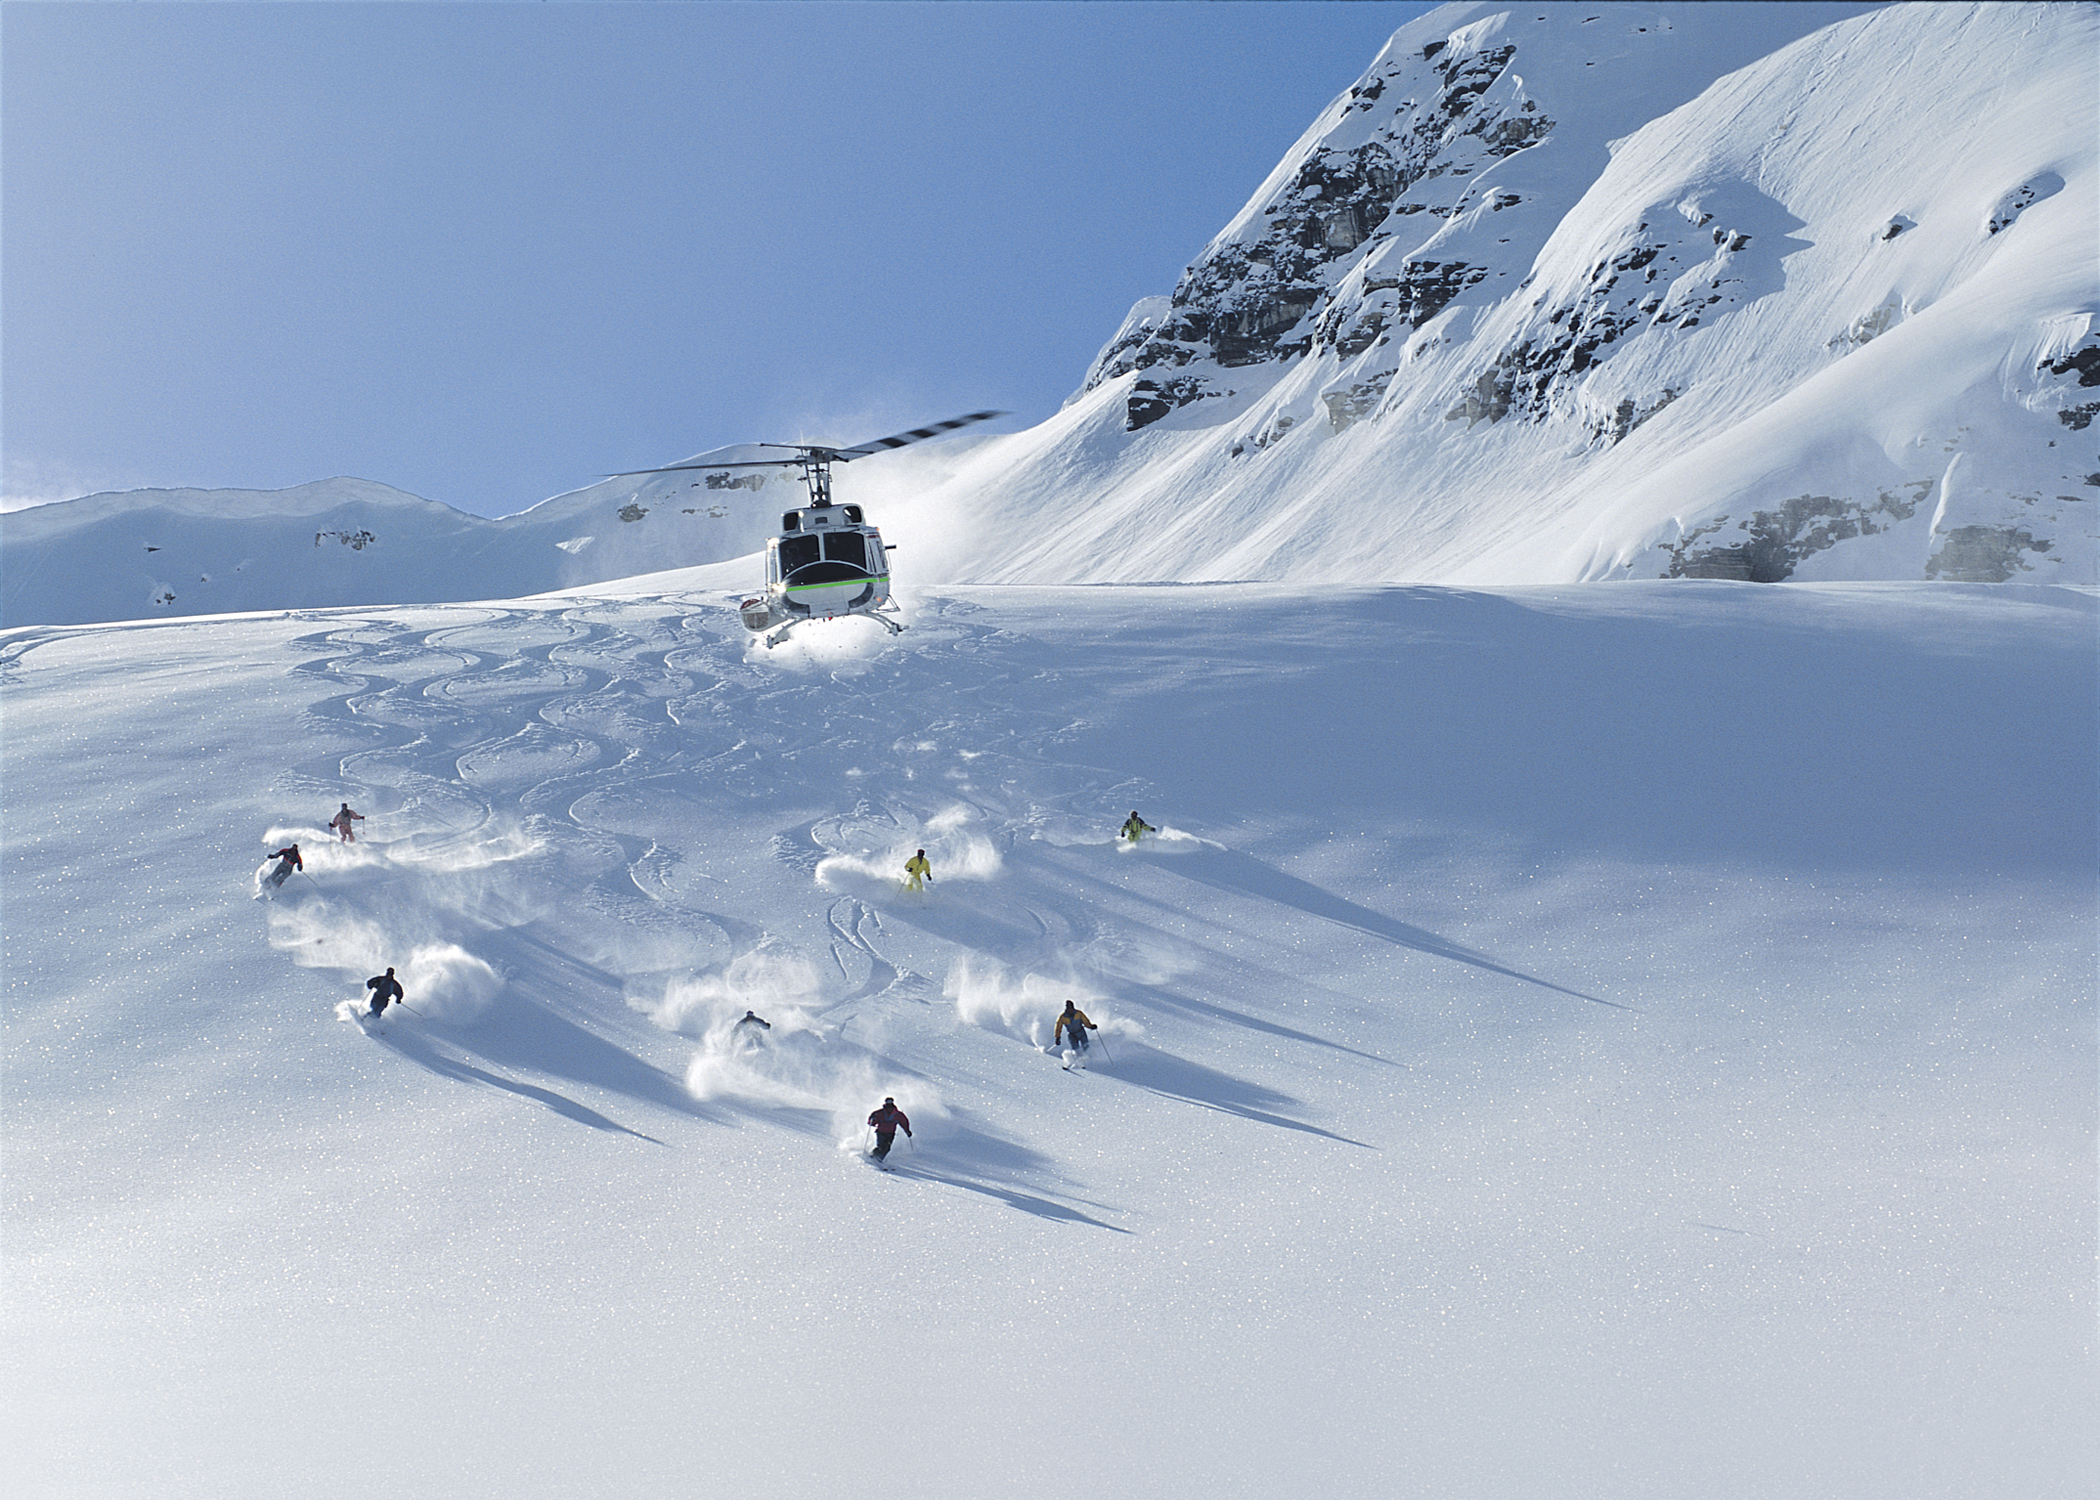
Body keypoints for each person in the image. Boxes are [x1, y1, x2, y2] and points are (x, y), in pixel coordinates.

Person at [867, 1097, 912, 1162]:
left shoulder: (898, 1114)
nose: (889, 1104)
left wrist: (907, 1131)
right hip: (881, 1132)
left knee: (887, 1147)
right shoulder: (879, 1113)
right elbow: (871, 1123)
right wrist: (872, 1119)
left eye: (890, 1102)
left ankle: (879, 1158)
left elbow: (904, 1122)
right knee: (881, 1147)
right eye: (888, 1102)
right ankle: (872, 1156)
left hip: (890, 1134)